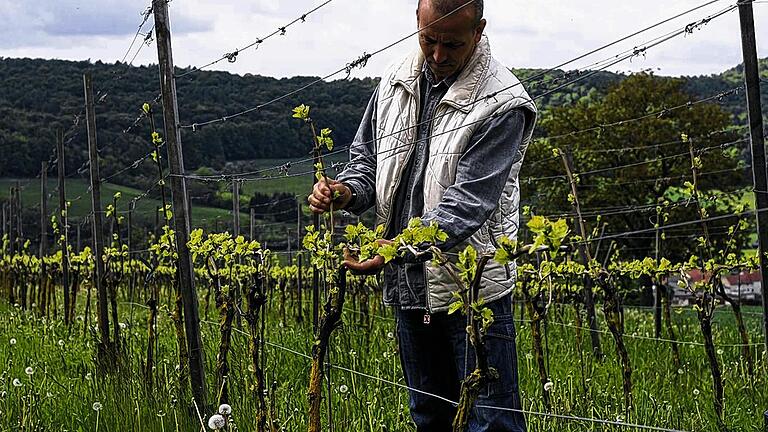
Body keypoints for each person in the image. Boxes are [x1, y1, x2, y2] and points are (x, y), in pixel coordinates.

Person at [308, 0, 537, 430]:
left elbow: (468, 203)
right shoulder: (395, 79)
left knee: (491, 423)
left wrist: (396, 248)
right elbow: (366, 162)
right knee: (429, 415)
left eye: (452, 44)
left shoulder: (503, 103)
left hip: (472, 293)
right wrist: (344, 191)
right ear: (416, 21)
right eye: (428, 39)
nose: (437, 55)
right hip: (411, 288)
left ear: (479, 30)